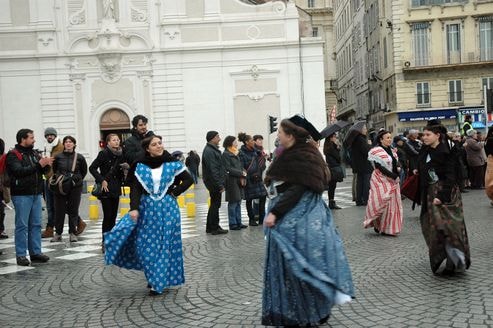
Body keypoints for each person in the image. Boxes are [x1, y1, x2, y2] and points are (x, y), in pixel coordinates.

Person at [262, 115, 354, 326]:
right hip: (292, 214)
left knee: (302, 265)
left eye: (280, 133)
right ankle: (301, 309)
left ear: (291, 135)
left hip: (300, 217)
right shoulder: (293, 153)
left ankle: (310, 311)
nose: (278, 137)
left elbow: (300, 186)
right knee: (293, 269)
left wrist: (276, 212)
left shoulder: (305, 155)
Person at [104, 135, 193, 295]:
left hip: (168, 210)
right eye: (154, 144)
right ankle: (154, 276)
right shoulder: (140, 165)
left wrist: (174, 192)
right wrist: (134, 208)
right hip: (147, 209)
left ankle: (156, 282)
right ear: (147, 149)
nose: (159, 146)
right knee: (145, 245)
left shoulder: (172, 163)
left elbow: (188, 179)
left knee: (165, 245)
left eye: (160, 143)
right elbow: (136, 189)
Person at [416, 122, 471, 274]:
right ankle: (447, 258)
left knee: (450, 228)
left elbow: (451, 176)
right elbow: (423, 166)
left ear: (437, 136)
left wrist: (442, 196)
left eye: (428, 135)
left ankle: (455, 262)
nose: (424, 138)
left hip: (446, 194)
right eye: (423, 135)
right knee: (435, 228)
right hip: (430, 193)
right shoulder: (425, 149)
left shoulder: (447, 151)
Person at [7, 129, 53, 266]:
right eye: (31, 138)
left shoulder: (34, 153)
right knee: (22, 225)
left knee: (36, 224)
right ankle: (21, 255)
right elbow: (18, 172)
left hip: (36, 193)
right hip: (21, 194)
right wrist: (39, 164)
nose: (34, 140)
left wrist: (46, 165)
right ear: (23, 139)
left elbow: (41, 171)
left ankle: (35, 252)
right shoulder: (13, 155)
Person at [89, 134, 125, 252]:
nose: (116, 142)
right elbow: (92, 168)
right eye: (114, 140)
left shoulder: (121, 154)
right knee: (107, 216)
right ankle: (105, 242)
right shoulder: (103, 153)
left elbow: (120, 171)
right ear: (108, 142)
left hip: (116, 187)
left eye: (118, 140)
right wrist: (102, 180)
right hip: (105, 188)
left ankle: (112, 241)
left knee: (114, 216)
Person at [363, 130, 403, 236]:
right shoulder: (376, 151)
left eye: (390, 137)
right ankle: (378, 224)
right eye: (387, 138)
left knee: (392, 206)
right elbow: (379, 167)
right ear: (381, 139)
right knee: (380, 202)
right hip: (380, 179)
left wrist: (398, 168)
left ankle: (389, 228)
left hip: (393, 180)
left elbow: (395, 163)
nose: (390, 139)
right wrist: (394, 176)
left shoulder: (392, 150)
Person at [50, 136, 87, 243]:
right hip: (60, 186)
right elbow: (55, 169)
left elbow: (83, 171)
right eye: (66, 142)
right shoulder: (58, 157)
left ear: (74, 144)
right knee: (59, 210)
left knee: (73, 209)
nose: (68, 144)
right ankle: (58, 233)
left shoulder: (79, 157)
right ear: (64, 144)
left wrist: (76, 180)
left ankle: (72, 232)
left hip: (75, 187)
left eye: (70, 142)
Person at [202, 131, 228, 235]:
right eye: (217, 137)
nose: (220, 139)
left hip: (213, 181)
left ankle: (210, 227)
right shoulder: (209, 151)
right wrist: (219, 184)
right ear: (212, 138)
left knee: (214, 204)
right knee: (215, 205)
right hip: (213, 182)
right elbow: (213, 169)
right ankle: (214, 227)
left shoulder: (212, 149)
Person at [238, 132, 267, 226]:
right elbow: (241, 167)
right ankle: (251, 219)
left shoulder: (254, 150)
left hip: (257, 177)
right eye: (251, 140)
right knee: (249, 199)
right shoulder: (241, 153)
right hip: (249, 178)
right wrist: (245, 176)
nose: (253, 142)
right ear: (246, 142)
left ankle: (262, 218)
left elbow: (260, 155)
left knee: (263, 196)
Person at [41, 127, 64, 238]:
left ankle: (78, 222)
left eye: (51, 135)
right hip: (47, 179)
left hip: (56, 180)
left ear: (55, 136)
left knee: (59, 205)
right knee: (50, 205)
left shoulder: (60, 147)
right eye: (47, 135)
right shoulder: (47, 147)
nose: (49, 137)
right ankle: (50, 229)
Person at [222, 136, 247, 230]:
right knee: (233, 203)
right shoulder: (226, 154)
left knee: (238, 201)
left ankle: (239, 222)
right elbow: (228, 168)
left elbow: (240, 165)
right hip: (231, 181)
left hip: (239, 180)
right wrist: (241, 173)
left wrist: (244, 171)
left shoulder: (236, 153)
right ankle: (233, 224)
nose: (237, 143)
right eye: (235, 142)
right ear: (230, 143)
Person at [348, 122, 372, 206]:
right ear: (360, 130)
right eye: (365, 129)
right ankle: (365, 199)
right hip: (364, 164)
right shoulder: (361, 140)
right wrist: (369, 145)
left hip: (358, 165)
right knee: (365, 182)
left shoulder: (355, 139)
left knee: (360, 182)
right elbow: (366, 151)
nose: (366, 130)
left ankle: (359, 199)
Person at [324, 133, 343, 209]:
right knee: (332, 186)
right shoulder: (331, 147)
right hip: (333, 168)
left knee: (331, 186)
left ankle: (331, 202)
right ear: (331, 138)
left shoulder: (327, 147)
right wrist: (337, 147)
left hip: (330, 168)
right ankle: (331, 203)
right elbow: (338, 157)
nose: (336, 138)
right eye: (335, 137)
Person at [0, 138, 8, 239]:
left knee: (1, 211)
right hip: (2, 188)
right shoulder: (5, 157)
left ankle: (1, 230)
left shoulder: (5, 157)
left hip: (2, 188)